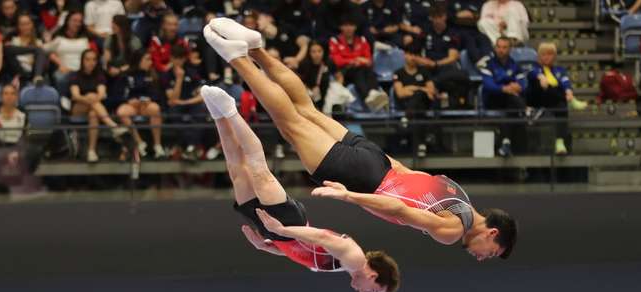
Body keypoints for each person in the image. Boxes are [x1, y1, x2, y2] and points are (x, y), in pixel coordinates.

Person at [202, 18, 517, 259]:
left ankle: (256, 48)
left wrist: (372, 158)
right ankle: (238, 58)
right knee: (291, 124)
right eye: (491, 253)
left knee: (306, 110)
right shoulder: (452, 230)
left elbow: (409, 174)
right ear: (491, 233)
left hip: (377, 161)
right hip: (364, 179)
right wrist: (349, 195)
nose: (481, 257)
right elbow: (400, 210)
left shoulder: (458, 194)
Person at [199, 85, 400, 292]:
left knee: (237, 171)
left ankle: (218, 114)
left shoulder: (344, 266)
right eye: (374, 290)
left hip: (279, 233)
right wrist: (282, 231)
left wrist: (269, 247)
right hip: (288, 223)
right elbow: (322, 237)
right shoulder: (355, 258)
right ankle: (230, 110)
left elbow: (303, 252)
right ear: (373, 276)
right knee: (258, 169)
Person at [404, 4, 474, 108]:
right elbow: (413, 52)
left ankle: (434, 84)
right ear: (431, 18)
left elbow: (452, 57)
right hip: (428, 69)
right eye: (435, 17)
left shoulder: (452, 33)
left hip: (446, 67)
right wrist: (422, 61)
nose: (437, 20)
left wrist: (436, 64)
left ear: (444, 16)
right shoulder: (426, 32)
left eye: (440, 17)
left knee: (462, 75)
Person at [526, 42, 588, 156]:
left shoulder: (559, 69)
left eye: (550, 54)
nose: (547, 57)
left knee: (562, 105)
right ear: (539, 56)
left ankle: (559, 142)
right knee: (550, 89)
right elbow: (532, 74)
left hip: (553, 100)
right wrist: (541, 77)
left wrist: (568, 91)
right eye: (544, 54)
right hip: (537, 99)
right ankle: (572, 101)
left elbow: (565, 81)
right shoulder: (534, 67)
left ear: (554, 56)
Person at [69, 48, 128, 162]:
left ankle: (91, 151)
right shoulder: (75, 75)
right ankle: (113, 126)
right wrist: (88, 97)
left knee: (93, 114)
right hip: (78, 108)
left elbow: (101, 94)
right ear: (82, 61)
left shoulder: (99, 76)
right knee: (92, 101)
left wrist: (93, 97)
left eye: (93, 60)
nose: (90, 62)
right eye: (87, 59)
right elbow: (76, 95)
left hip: (95, 109)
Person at [478, 36, 527, 157]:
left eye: (504, 47)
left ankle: (506, 143)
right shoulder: (488, 64)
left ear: (510, 49)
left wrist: (517, 87)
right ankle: (527, 111)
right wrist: (505, 88)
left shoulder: (515, 65)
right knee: (513, 101)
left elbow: (523, 84)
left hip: (509, 102)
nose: (501, 50)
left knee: (509, 110)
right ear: (495, 48)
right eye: (498, 47)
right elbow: (488, 85)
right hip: (492, 99)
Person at [328, 15, 389, 111]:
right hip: (344, 73)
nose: (349, 28)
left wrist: (361, 61)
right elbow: (337, 61)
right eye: (346, 25)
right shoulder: (335, 40)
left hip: (361, 70)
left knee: (368, 71)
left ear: (355, 27)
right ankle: (368, 96)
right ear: (341, 27)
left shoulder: (362, 40)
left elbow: (368, 60)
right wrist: (355, 60)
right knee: (359, 71)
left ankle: (373, 94)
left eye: (351, 25)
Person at [116, 49, 166, 158]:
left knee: (155, 109)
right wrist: (128, 101)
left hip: (146, 105)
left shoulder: (152, 74)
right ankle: (139, 142)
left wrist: (149, 99)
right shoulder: (126, 74)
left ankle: (157, 145)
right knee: (122, 112)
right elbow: (119, 93)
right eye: (147, 59)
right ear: (138, 60)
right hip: (132, 105)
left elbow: (158, 94)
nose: (150, 62)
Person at [162, 44, 209, 161]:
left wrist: (186, 102)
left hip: (190, 103)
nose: (179, 61)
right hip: (175, 106)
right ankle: (191, 146)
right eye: (176, 58)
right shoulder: (166, 75)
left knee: (202, 110)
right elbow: (173, 100)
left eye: (181, 58)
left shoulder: (192, 72)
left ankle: (188, 147)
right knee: (174, 113)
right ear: (171, 58)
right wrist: (179, 79)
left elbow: (202, 94)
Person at [45, 11, 96, 95]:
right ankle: (63, 99)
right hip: (64, 70)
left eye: (80, 21)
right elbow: (44, 50)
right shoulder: (59, 39)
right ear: (67, 21)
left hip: (83, 70)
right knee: (60, 77)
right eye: (74, 20)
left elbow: (93, 55)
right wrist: (58, 62)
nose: (77, 24)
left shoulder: (86, 39)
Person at [2, 13, 49, 85]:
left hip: (33, 73)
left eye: (27, 24)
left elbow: (40, 61)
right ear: (18, 26)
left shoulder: (38, 41)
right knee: (8, 49)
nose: (25, 27)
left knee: (41, 51)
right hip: (17, 73)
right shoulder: (12, 40)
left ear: (32, 24)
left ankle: (37, 78)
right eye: (22, 24)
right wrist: (35, 50)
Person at [298, 40, 341, 109]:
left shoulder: (329, 62)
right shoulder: (304, 64)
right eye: (313, 52)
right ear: (309, 52)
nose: (317, 54)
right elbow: (299, 82)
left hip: (327, 94)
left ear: (324, 51)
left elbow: (339, 76)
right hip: (309, 94)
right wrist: (308, 91)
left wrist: (338, 88)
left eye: (319, 51)